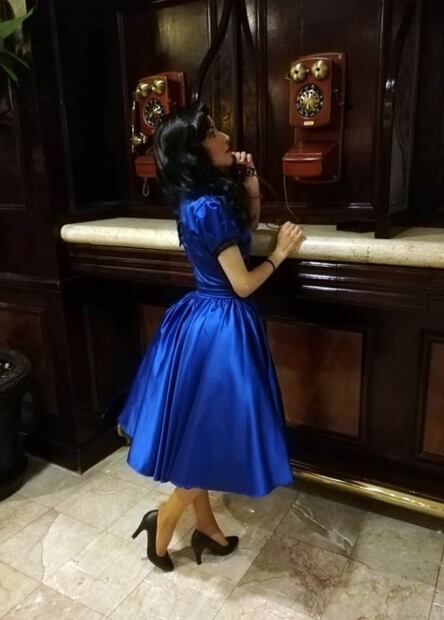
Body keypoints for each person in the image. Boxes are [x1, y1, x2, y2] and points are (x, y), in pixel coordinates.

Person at [118, 103, 305, 572]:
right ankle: (164, 519)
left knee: (196, 433)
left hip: (201, 319)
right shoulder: (209, 205)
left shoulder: (197, 198)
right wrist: (281, 253)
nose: (223, 136)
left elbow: (241, 233)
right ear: (194, 152)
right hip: (222, 328)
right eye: (211, 133)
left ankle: (206, 526)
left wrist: (251, 184)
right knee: (208, 432)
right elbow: (242, 284)